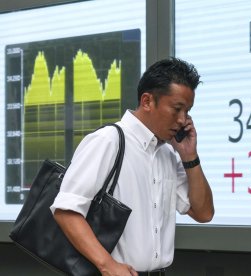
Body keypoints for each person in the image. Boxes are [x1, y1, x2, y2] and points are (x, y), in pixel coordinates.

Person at [50, 57, 214, 275]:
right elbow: (66, 210)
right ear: (147, 101)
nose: (183, 120)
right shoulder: (108, 140)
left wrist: (189, 156)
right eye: (177, 109)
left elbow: (203, 213)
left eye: (188, 111)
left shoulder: (167, 153)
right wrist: (107, 265)